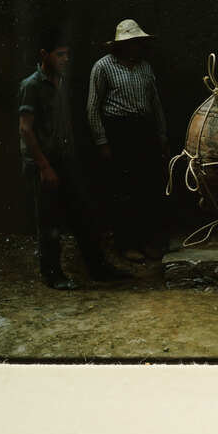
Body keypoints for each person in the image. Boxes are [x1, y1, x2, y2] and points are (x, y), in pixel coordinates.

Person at [18, 28, 129, 290]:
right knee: (49, 220)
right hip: (42, 163)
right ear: (44, 55)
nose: (66, 59)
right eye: (60, 54)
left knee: (83, 214)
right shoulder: (31, 85)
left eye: (67, 54)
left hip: (64, 159)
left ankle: (98, 269)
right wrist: (44, 166)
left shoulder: (61, 80)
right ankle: (52, 274)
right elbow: (25, 128)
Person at [86, 19, 169, 262]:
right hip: (118, 132)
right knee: (123, 191)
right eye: (132, 43)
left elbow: (155, 104)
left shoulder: (145, 67)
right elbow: (92, 107)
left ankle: (148, 242)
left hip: (144, 131)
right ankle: (126, 244)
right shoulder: (102, 67)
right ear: (121, 45)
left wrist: (162, 135)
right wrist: (102, 142)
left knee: (148, 188)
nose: (137, 47)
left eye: (139, 43)